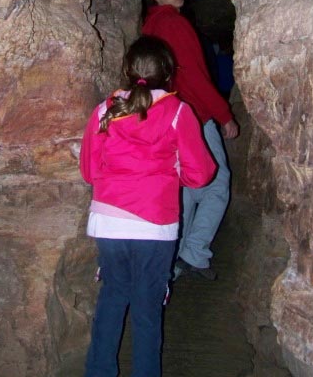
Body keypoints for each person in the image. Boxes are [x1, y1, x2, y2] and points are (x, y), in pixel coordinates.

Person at [80, 35, 216, 377]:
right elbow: (201, 174)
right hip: (155, 223)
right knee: (147, 308)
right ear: (169, 73)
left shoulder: (104, 110)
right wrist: (174, 176)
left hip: (109, 221)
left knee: (112, 296)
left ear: (126, 70)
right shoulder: (178, 112)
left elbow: (90, 171)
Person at [142, 0, 239, 281]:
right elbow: (193, 74)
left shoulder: (150, 27)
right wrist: (222, 114)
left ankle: (174, 259)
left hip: (164, 113)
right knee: (217, 181)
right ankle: (194, 252)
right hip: (193, 113)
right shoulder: (173, 22)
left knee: (184, 186)